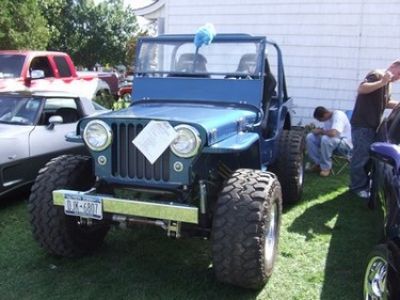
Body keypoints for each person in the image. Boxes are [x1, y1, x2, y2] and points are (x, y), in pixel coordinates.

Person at [350, 61, 400, 198]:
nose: (398, 78)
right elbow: (362, 88)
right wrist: (383, 81)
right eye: (399, 73)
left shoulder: (386, 83)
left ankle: (362, 184)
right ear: (394, 66)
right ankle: (357, 187)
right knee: (361, 157)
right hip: (362, 124)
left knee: (367, 157)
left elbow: (386, 103)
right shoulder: (377, 75)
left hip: (372, 126)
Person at [306, 106, 352, 177]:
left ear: (325, 114)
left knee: (326, 139)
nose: (320, 121)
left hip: (345, 145)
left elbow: (333, 133)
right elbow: (326, 132)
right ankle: (319, 164)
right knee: (310, 137)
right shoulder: (327, 119)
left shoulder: (338, 115)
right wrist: (317, 131)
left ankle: (326, 168)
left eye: (320, 119)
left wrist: (321, 131)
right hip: (334, 142)